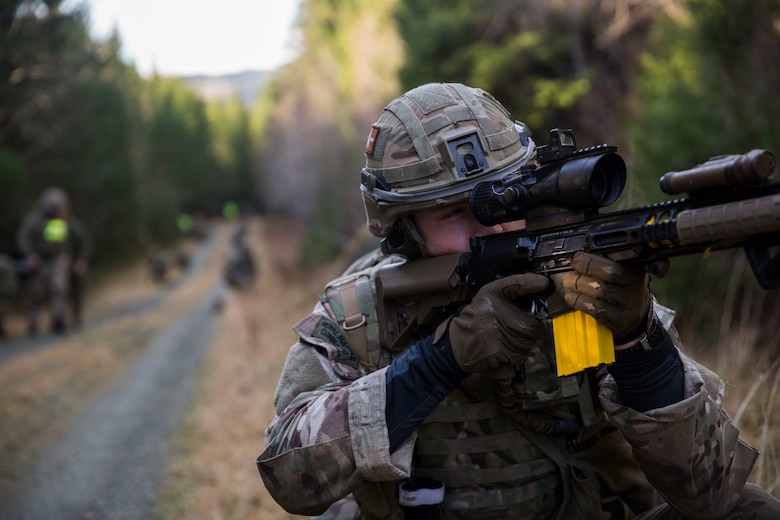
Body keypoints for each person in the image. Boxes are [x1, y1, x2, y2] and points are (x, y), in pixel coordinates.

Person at [257, 83, 780, 518]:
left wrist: (637, 339)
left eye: (508, 196)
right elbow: (290, 474)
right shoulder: (360, 312)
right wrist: (442, 359)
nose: (498, 224)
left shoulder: (573, 279)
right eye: (455, 213)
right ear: (402, 231)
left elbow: (708, 490)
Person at [16, 187, 92, 335]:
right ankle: (32, 323)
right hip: (37, 261)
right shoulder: (33, 221)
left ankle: (58, 320)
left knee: (59, 288)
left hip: (53, 261)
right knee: (35, 293)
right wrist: (30, 255)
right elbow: (23, 238)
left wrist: (63, 256)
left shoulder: (57, 222)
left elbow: (58, 242)